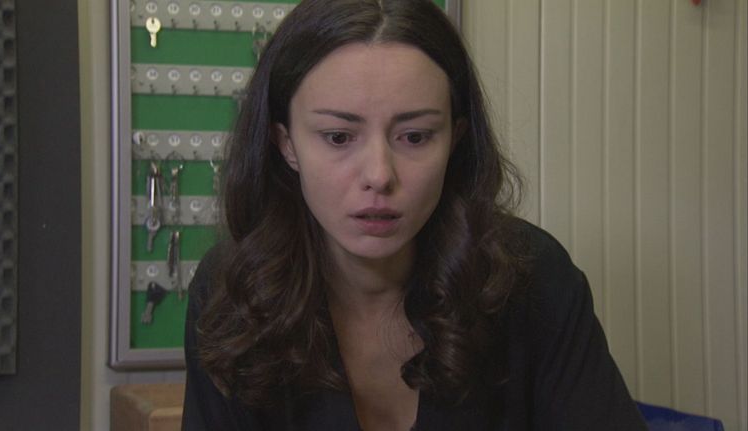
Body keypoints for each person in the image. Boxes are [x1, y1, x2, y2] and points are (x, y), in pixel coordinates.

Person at [182, 0, 648, 429]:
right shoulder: (232, 291)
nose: (379, 175)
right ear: (286, 144)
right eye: (339, 137)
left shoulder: (534, 279)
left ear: (455, 140)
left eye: (415, 137)